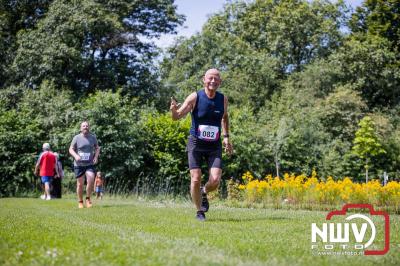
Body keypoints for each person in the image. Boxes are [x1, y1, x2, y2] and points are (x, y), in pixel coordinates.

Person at [170, 68, 233, 221]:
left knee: (215, 181)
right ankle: (199, 212)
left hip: (214, 146)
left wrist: (226, 137)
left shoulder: (223, 98)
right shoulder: (195, 97)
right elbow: (177, 117)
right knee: (196, 178)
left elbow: (224, 118)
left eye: (216, 79)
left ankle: (203, 191)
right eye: (210, 78)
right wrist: (173, 110)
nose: (213, 81)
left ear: (220, 82)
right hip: (196, 144)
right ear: (203, 80)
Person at [69, 121, 100, 208]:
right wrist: (75, 156)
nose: (85, 127)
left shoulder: (93, 138)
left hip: (89, 163)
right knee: (80, 184)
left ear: (89, 127)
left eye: (87, 126)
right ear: (80, 128)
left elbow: (97, 148)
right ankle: (80, 201)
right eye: (83, 126)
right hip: (79, 164)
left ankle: (88, 199)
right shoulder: (76, 138)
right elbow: (71, 149)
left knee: (90, 180)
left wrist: (96, 157)